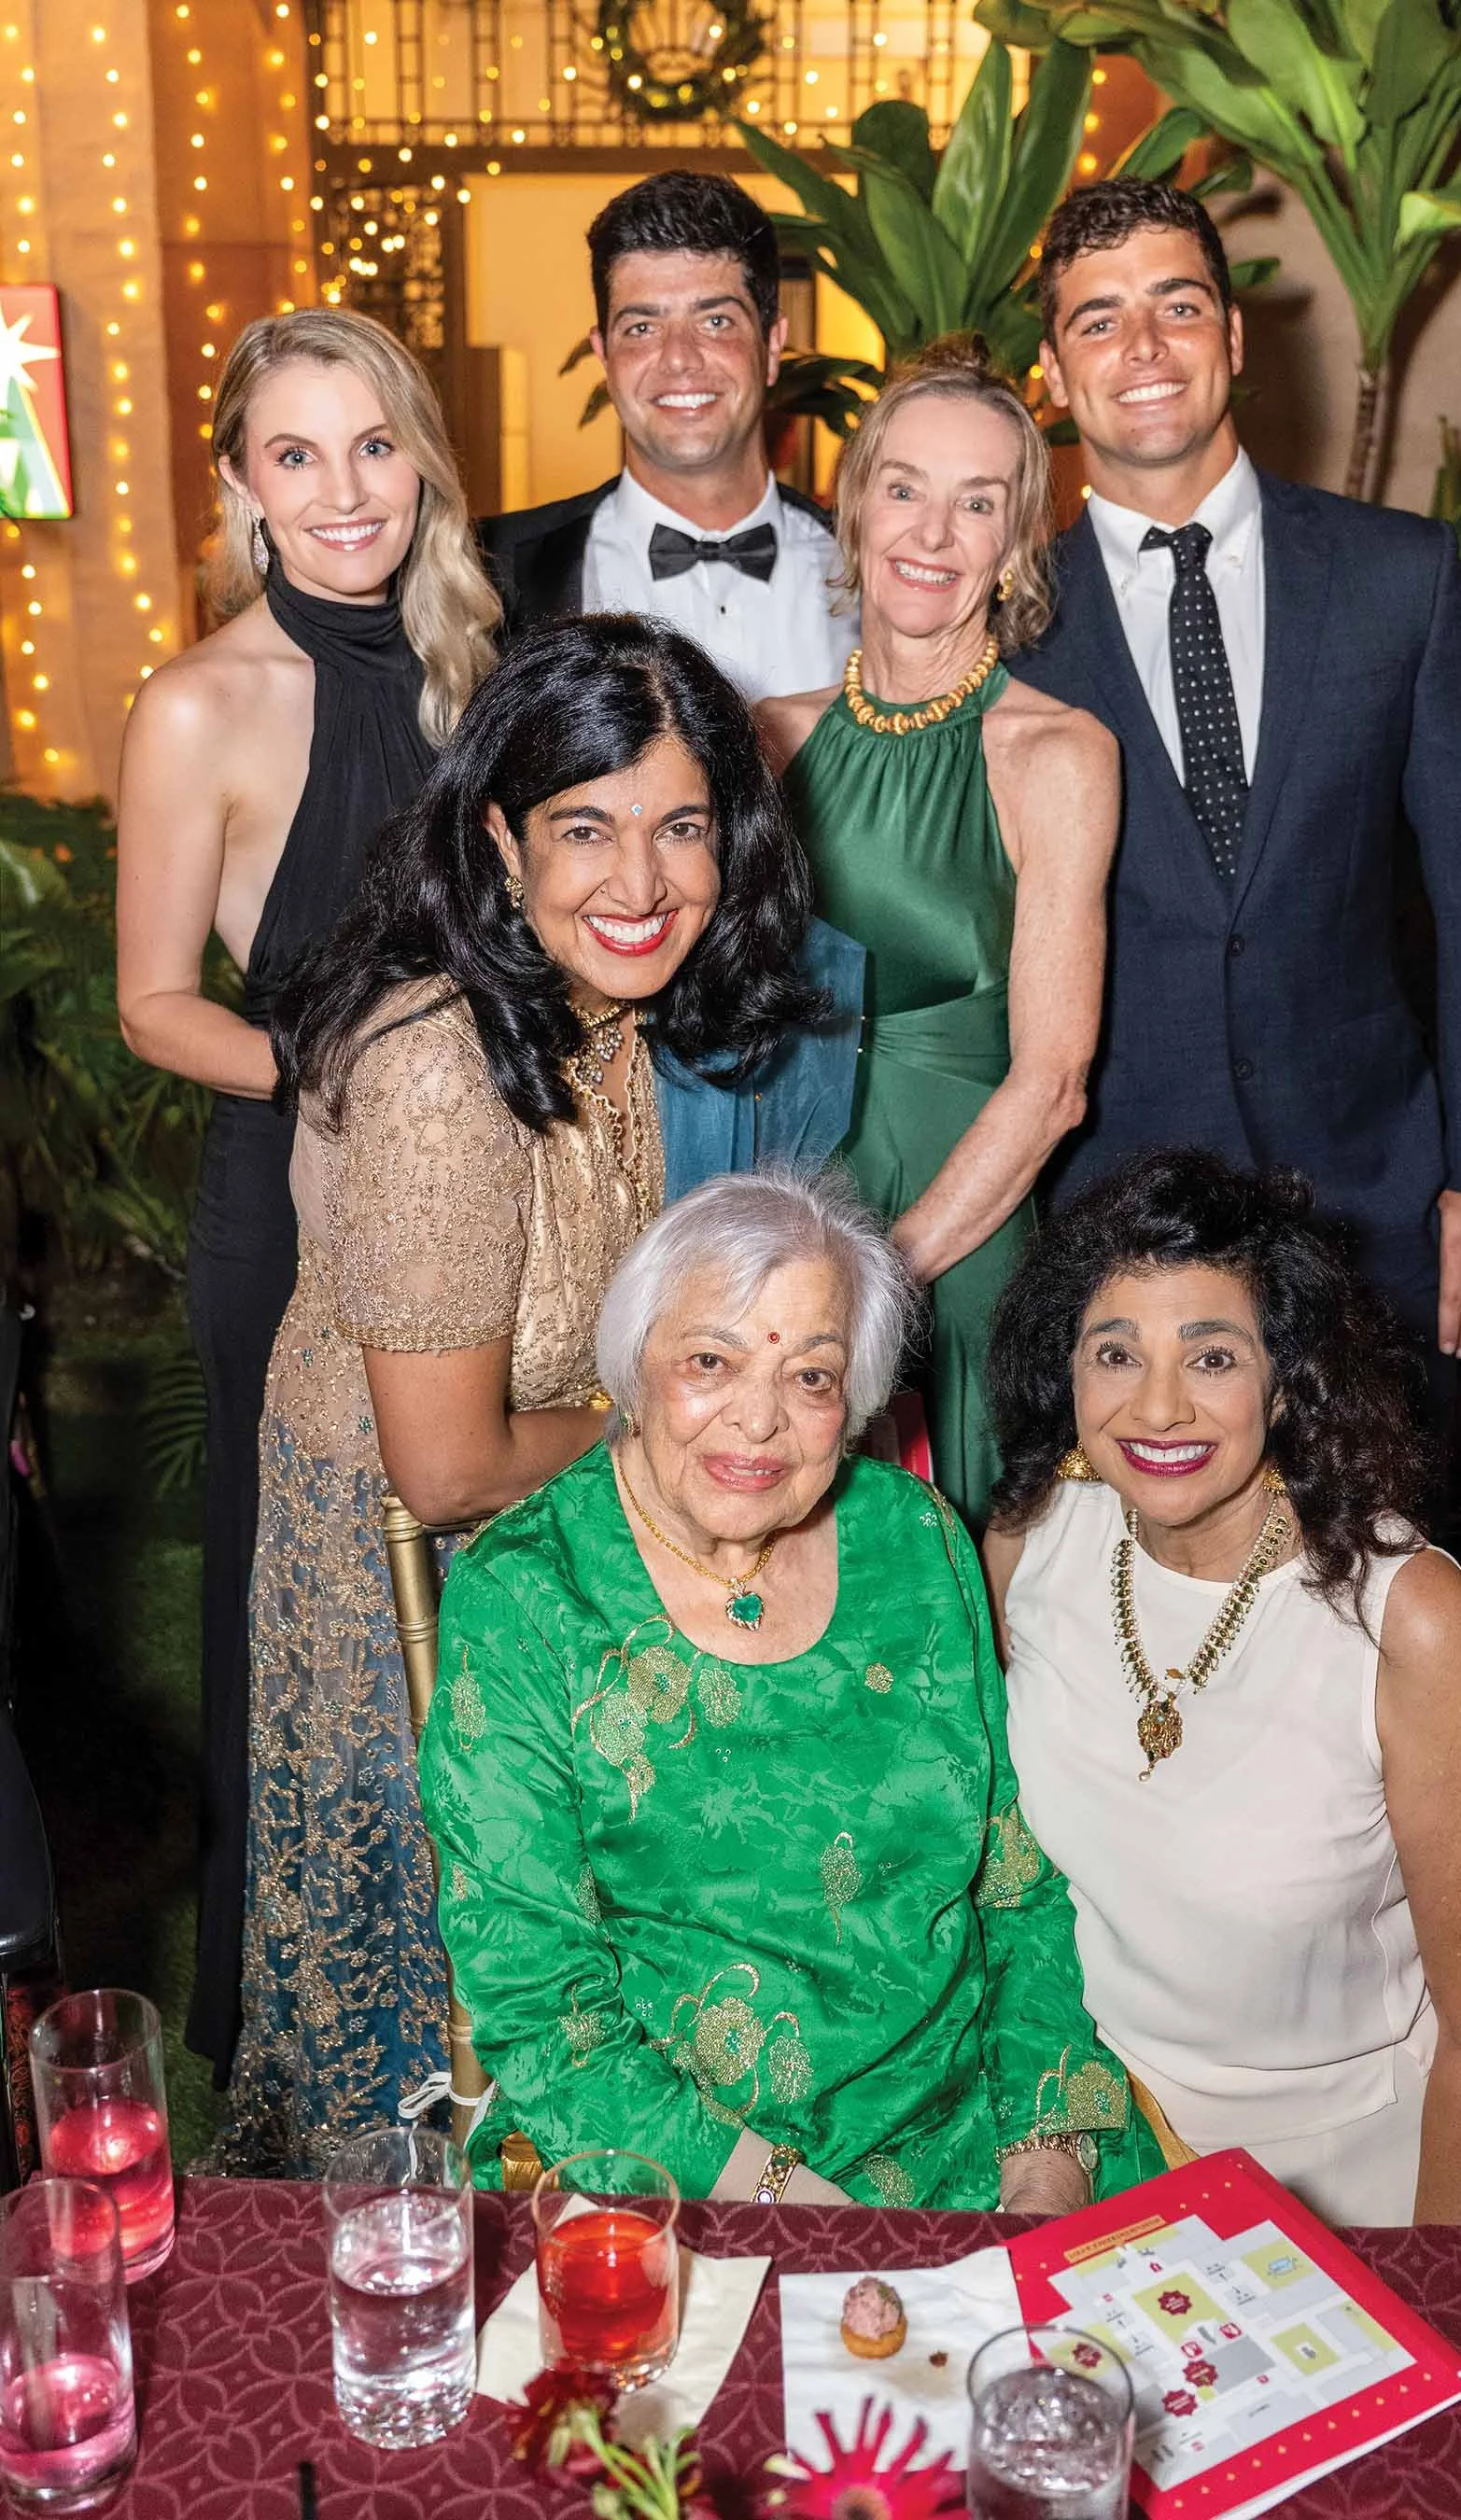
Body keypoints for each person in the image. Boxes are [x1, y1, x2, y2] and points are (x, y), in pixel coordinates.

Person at [984, 1148, 1461, 2515]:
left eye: (1213, 1355)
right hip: (1104, 2112)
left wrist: (1438, 2295)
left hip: (1346, 2140)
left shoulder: (1404, 1620)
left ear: (1289, 1378)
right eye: (1115, 1352)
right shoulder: (1036, 1538)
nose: (1158, 1405)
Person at [212, 617, 818, 2176]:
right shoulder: (439, 1061)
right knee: (437, 2052)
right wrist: (675, 1424)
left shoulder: (609, 1013)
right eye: (587, 830)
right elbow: (447, 1466)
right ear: (501, 838)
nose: (642, 882)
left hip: (541, 1555)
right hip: (401, 1595)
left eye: (682, 827)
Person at [420, 1168, 1171, 2212]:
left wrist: (1044, 2157)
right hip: (667, 2165)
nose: (760, 1420)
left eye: (811, 1377)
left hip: (967, 2129)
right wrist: (817, 2220)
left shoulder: (912, 1537)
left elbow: (1016, 1886)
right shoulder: (528, 1594)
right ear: (632, 1371)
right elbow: (548, 2020)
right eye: (710, 1362)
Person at [115, 309, 500, 2088]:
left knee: (489, 1590)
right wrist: (356, 1073)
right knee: (305, 1627)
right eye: (296, 452)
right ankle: (307, 2028)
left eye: (373, 444)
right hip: (295, 1206)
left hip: (491, 1191)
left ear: (421, 457)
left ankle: (495, 1986)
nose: (344, 490)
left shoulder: (478, 668)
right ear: (240, 483)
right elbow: (154, 1005)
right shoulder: (199, 702)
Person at [1013, 178, 1461, 1372]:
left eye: (1177, 306)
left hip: (1376, 1204)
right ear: (1052, 371)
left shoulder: (1400, 578)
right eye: (1098, 319)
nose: (1143, 346)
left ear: (1234, 336)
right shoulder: (1006, 632)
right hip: (1111, 1226)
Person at [757, 340, 1118, 1529]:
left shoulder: (1057, 753)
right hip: (780, 1213)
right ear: (856, 506)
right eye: (905, 488)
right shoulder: (764, 737)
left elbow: (1054, 1084)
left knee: (949, 1569)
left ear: (1015, 544)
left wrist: (882, 1279)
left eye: (978, 503)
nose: (932, 532)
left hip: (952, 1241)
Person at [478, 172, 856, 701]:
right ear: (605, 356)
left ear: (772, 346)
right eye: (642, 328)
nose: (679, 358)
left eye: (716, 322)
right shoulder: (488, 576)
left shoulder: (873, 566)